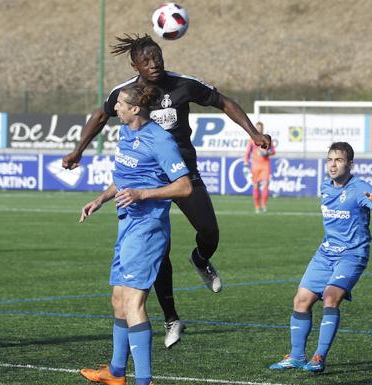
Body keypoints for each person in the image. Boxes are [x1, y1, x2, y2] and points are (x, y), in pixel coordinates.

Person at [63, 33, 270, 347]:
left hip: (183, 175)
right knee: (157, 253)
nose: (154, 64)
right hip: (148, 181)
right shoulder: (127, 93)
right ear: (135, 65)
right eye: (146, 61)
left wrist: (253, 133)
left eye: (157, 57)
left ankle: (201, 259)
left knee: (209, 231)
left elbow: (224, 102)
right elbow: (100, 115)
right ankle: (172, 319)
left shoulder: (183, 85)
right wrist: (78, 150)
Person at [78, 82, 192, 385]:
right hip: (126, 225)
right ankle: (116, 372)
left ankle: (145, 380)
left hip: (148, 229)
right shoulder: (126, 133)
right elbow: (125, 179)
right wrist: (101, 199)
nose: (114, 107)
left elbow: (184, 186)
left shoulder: (160, 140)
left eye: (120, 104)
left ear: (135, 109)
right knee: (118, 299)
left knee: (133, 303)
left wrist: (142, 194)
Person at [269, 142, 372, 373]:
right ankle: (296, 356)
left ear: (350, 164)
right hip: (325, 252)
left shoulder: (360, 187)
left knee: (331, 298)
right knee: (301, 300)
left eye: (339, 160)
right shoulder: (325, 186)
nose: (333, 165)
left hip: (352, 254)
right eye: (330, 160)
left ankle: (318, 357)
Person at [244, 121, 276, 213]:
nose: (259, 129)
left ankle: (264, 206)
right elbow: (247, 152)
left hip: (265, 165)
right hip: (255, 165)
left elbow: (273, 151)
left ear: (262, 128)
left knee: (266, 184)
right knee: (256, 186)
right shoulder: (251, 139)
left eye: (260, 128)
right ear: (255, 128)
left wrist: (267, 152)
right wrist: (245, 163)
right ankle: (257, 207)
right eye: (257, 127)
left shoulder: (267, 138)